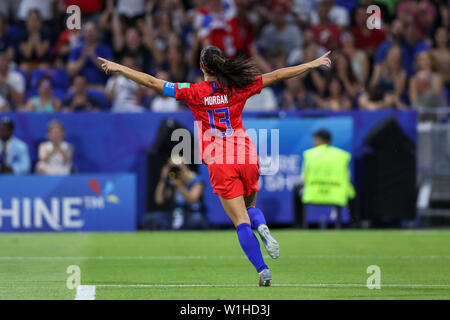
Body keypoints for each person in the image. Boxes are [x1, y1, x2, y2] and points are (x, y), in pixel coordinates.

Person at [98, 45, 331, 286]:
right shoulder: (238, 86)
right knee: (250, 207)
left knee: (240, 221)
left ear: (201, 67)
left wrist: (119, 69)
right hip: (246, 154)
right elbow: (277, 75)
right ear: (221, 64)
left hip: (220, 160)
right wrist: (311, 64)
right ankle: (262, 226)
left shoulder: (192, 91)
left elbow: (152, 82)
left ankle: (263, 270)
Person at [298, 129, 355, 227]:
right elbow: (348, 178)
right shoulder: (341, 155)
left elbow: (304, 179)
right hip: (337, 194)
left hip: (313, 193)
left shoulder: (310, 154)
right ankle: (354, 224)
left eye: (315, 139)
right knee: (352, 193)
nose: (313, 142)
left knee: (296, 190)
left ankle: (300, 225)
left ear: (321, 140)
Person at [146, 157, 207, 230]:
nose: (175, 169)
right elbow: (159, 200)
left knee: (197, 220)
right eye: (172, 167)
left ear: (184, 165)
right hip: (173, 214)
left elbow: (192, 200)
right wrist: (163, 179)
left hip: (190, 213)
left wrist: (180, 186)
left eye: (177, 166)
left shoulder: (196, 180)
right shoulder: (171, 181)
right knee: (151, 218)